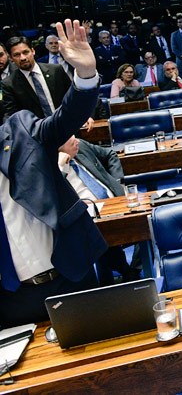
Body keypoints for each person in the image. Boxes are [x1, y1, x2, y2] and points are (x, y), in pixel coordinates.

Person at [0, 19, 106, 328]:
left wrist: (85, 75)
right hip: (11, 298)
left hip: (69, 276)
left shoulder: (18, 128)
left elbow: (63, 120)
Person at [57, 136, 138, 285]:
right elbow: (53, 196)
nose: (77, 141)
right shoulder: (52, 168)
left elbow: (110, 154)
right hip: (89, 215)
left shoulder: (81, 147)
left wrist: (116, 183)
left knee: (146, 222)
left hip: (117, 202)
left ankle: (133, 269)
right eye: (70, 139)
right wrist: (61, 168)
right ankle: (126, 273)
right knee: (98, 235)